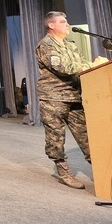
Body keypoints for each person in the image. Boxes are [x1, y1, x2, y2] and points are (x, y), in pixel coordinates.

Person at [35, 11, 92, 190]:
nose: (67, 24)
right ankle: (63, 171)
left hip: (73, 95)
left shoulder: (70, 45)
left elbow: (80, 64)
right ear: (51, 25)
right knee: (56, 137)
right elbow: (63, 67)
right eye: (62, 21)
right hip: (53, 97)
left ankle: (102, 168)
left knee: (86, 134)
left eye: (66, 21)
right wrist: (90, 66)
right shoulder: (46, 45)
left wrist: (92, 67)